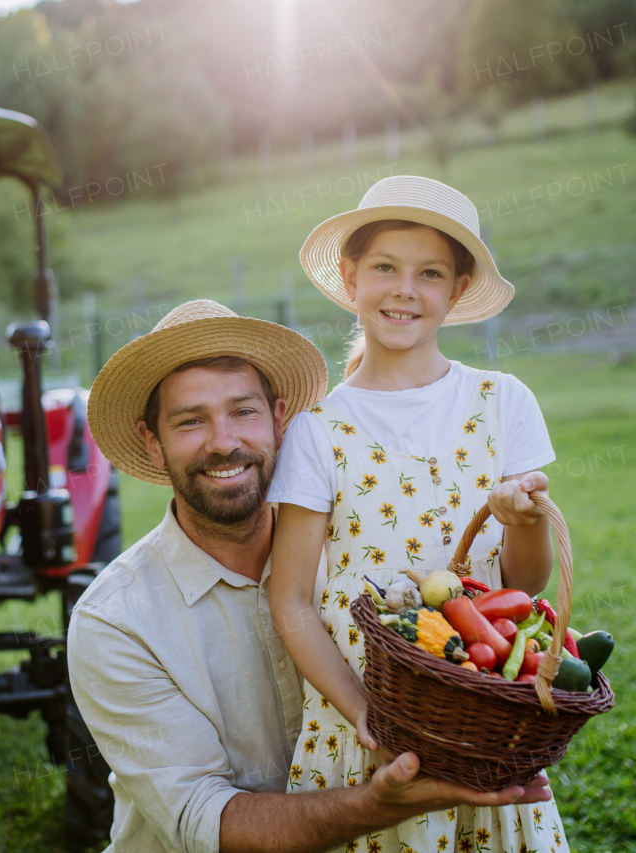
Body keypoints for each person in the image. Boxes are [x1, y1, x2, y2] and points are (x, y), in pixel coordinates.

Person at [69, 298, 552, 853]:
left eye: (242, 412)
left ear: (280, 419)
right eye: (190, 421)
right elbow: (206, 824)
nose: (223, 442)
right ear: (152, 442)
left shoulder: (362, 561)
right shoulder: (115, 622)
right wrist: (381, 802)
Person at [268, 175, 568, 853]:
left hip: (477, 714)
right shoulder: (319, 428)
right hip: (367, 723)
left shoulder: (502, 401)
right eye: (384, 267)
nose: (405, 289)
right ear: (350, 278)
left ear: (457, 290)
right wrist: (366, 712)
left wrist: (522, 521)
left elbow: (528, 585)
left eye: (429, 272)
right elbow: (289, 600)